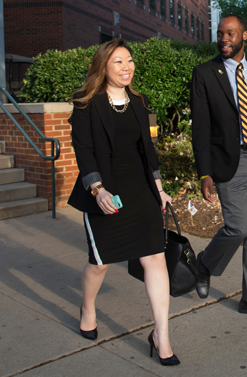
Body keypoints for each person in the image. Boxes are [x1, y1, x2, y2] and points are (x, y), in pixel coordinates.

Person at [67, 39, 178, 366]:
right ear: (104, 66)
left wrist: (159, 190)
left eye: (129, 60)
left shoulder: (141, 103)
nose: (127, 66)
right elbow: (83, 150)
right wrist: (97, 190)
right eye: (118, 61)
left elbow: (149, 151)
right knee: (100, 262)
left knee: (155, 259)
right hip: (105, 190)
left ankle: (162, 336)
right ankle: (88, 307)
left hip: (141, 190)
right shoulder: (86, 102)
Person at [190, 14, 247, 317]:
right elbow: (201, 128)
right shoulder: (205, 73)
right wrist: (204, 172)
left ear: (244, 36)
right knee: (238, 227)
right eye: (220, 34)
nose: (223, 39)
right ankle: (204, 264)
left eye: (230, 34)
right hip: (227, 161)